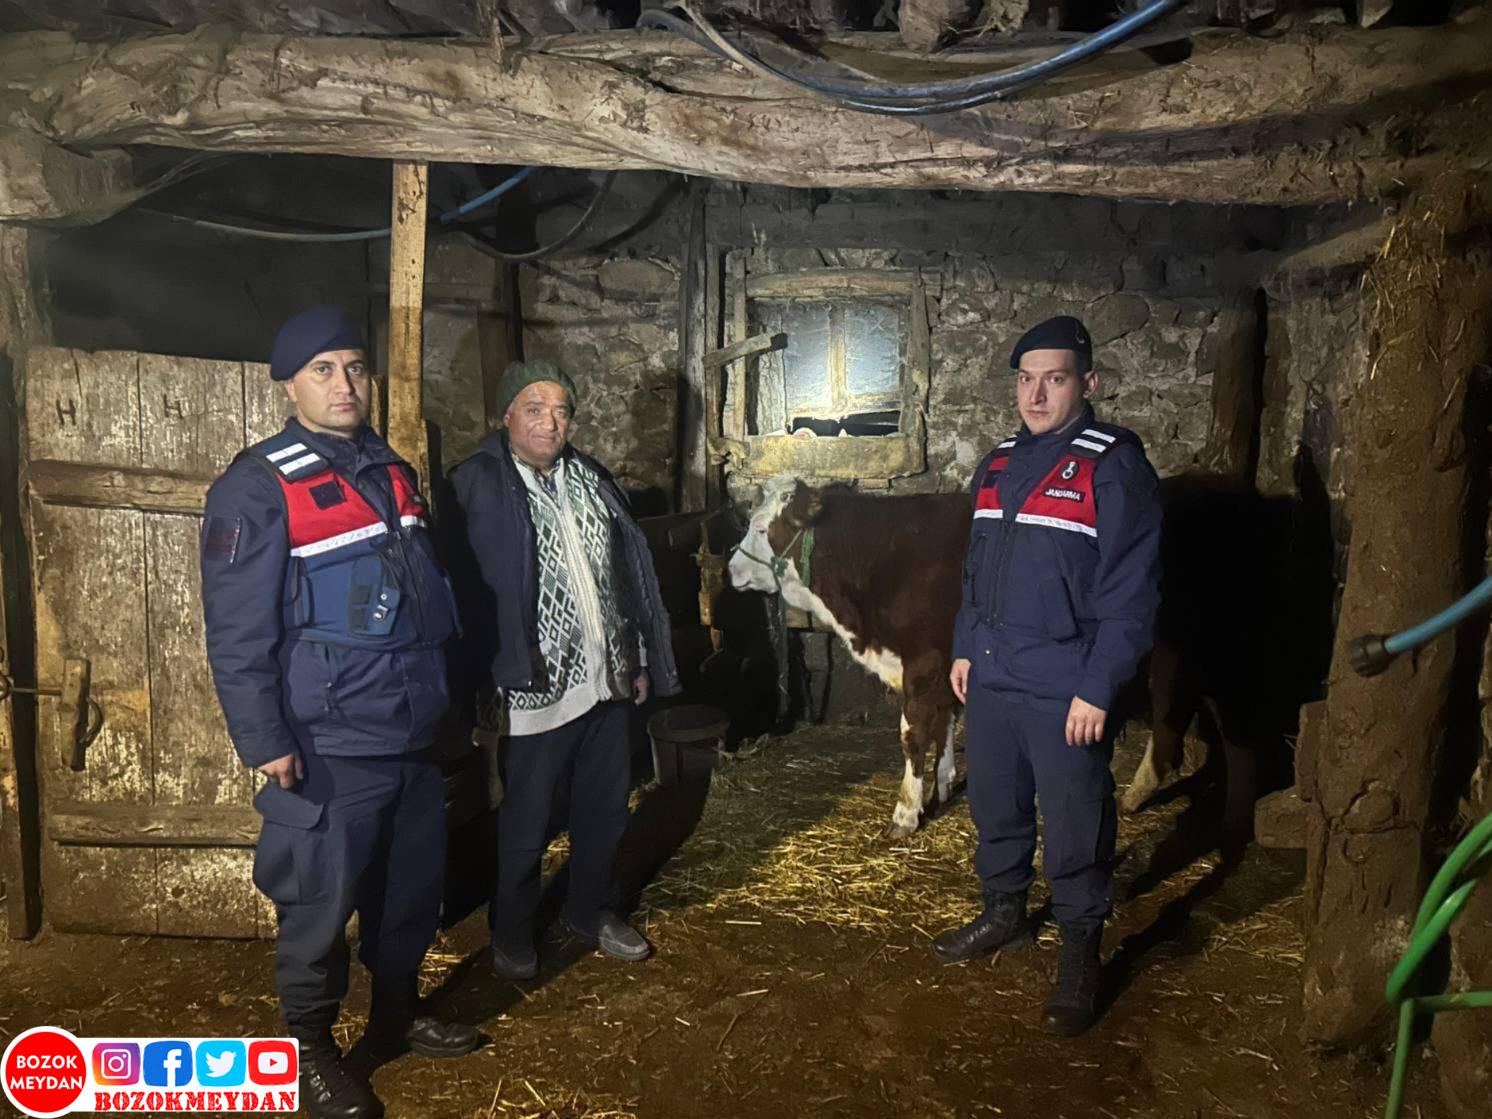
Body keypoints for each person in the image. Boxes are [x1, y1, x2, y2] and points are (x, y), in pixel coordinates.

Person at [201, 306, 479, 1119]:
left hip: (414, 733)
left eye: (354, 366)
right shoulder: (256, 485)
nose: (344, 383)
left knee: (411, 893)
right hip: (328, 743)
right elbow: (237, 629)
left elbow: (429, 603)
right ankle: (311, 1051)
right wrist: (265, 739)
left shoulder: (392, 470)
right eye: (323, 369)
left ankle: (397, 1008)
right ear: (289, 383)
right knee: (319, 905)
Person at [938, 315, 1162, 1037]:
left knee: (1075, 825)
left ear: (1087, 383)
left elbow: (1132, 592)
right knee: (996, 809)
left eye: (1055, 378)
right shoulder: (998, 463)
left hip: (1065, 685)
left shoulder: (1113, 464)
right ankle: (1003, 911)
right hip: (996, 677)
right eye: (1027, 379)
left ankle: (1079, 949)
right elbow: (973, 571)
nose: (1036, 395)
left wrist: (1099, 686)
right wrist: (965, 644)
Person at [447, 359, 680, 980]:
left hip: (603, 677)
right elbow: (461, 593)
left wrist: (633, 657)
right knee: (525, 822)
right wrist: (476, 687)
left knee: (605, 809)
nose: (551, 423)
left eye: (561, 410)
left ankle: (590, 910)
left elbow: (621, 576)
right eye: (535, 409)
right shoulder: (475, 484)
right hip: (531, 686)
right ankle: (513, 931)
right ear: (505, 416)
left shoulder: (591, 477)